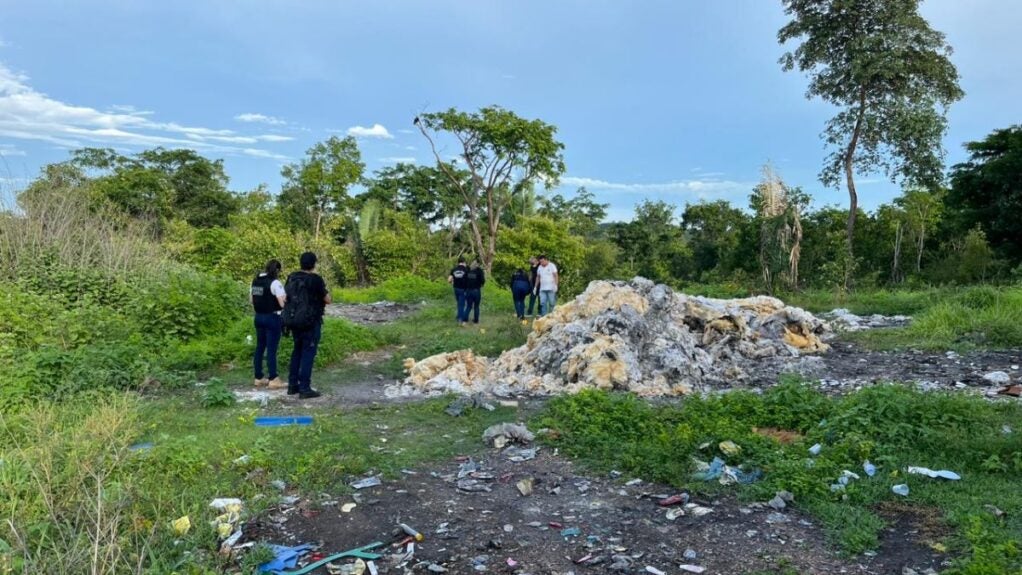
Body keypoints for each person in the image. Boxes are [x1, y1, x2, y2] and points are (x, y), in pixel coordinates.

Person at [283, 252, 331, 399]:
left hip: (294, 320)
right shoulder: (315, 279)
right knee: (308, 354)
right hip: (310, 321)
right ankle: (305, 388)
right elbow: (327, 299)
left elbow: (286, 297)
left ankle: (292, 386)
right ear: (314, 264)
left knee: (296, 351)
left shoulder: (292, 277)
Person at [251, 260, 287, 389]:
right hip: (272, 317)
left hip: (258, 317)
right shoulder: (275, 282)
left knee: (260, 347)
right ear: (277, 270)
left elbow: (251, 300)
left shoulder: (255, 281)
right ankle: (273, 378)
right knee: (271, 349)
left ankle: (258, 377)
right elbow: (282, 303)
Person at [448, 256, 470, 325]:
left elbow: (449, 280)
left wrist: (453, 283)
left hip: (456, 289)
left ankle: (458, 316)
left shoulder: (453, 269)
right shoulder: (466, 270)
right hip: (463, 289)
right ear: (464, 262)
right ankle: (460, 319)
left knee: (459, 303)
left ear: (458, 262)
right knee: (462, 304)